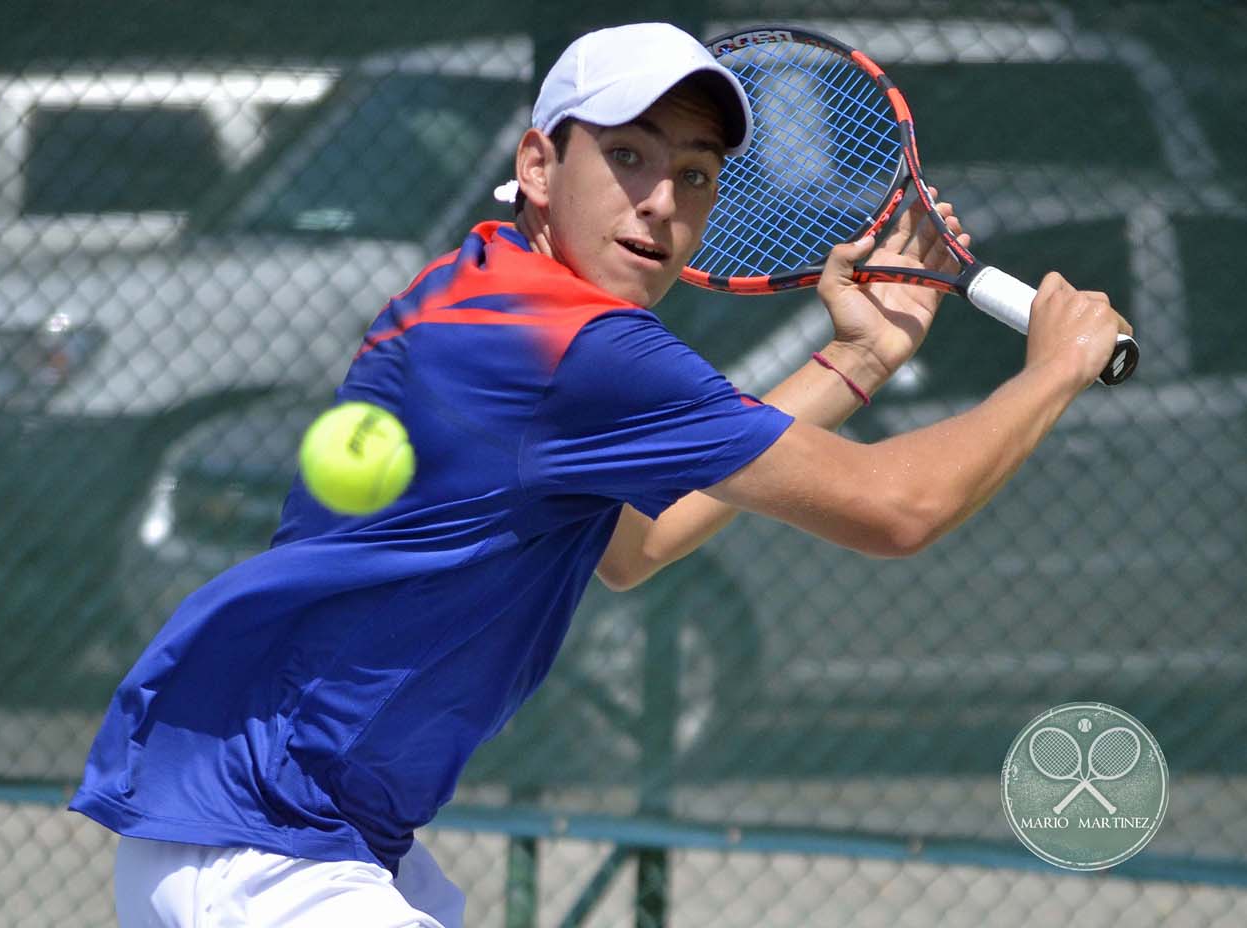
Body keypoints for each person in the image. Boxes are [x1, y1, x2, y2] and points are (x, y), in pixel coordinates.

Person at [71, 22, 1130, 927]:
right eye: (628, 155)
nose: (661, 198)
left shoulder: (484, 287)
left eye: (695, 174)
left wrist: (854, 360)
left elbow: (634, 544)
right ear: (538, 163)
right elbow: (899, 509)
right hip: (260, 842)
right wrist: (1051, 369)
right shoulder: (571, 346)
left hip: (306, 827)